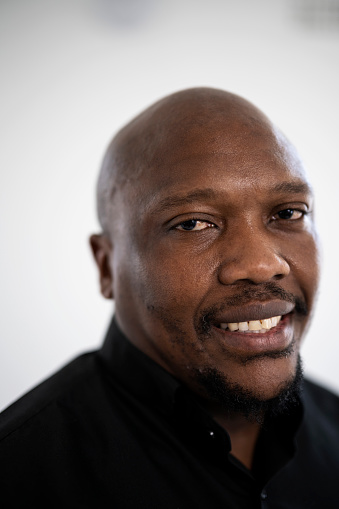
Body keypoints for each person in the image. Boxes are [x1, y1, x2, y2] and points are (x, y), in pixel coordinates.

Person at [1, 87, 338, 508]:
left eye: (289, 213)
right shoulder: (18, 475)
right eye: (194, 223)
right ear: (107, 266)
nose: (261, 264)